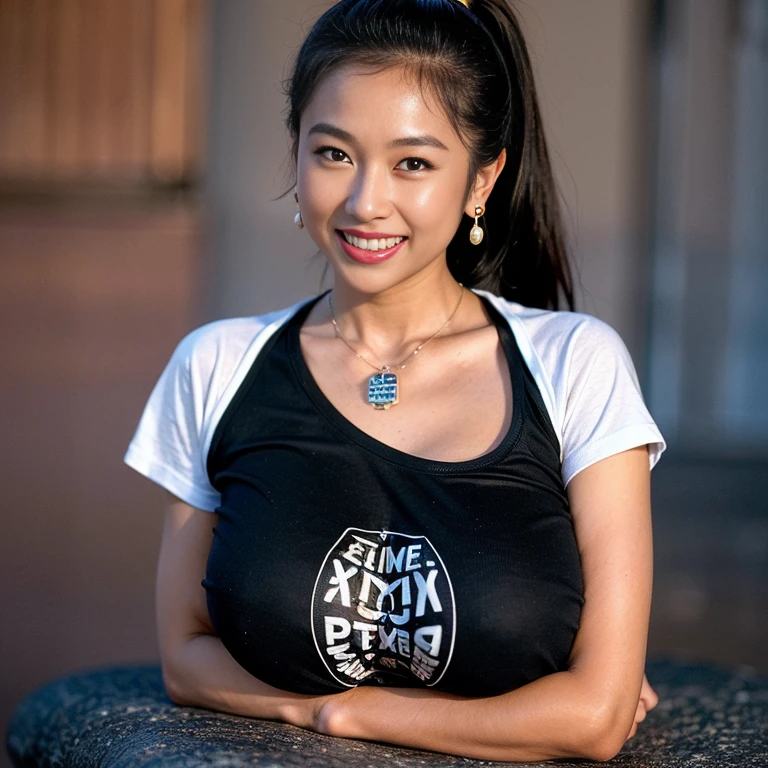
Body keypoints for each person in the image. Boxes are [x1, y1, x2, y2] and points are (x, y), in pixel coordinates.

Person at [124, 0, 665, 761]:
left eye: (413, 163)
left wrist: (361, 716)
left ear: (482, 180)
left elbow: (596, 715)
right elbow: (185, 654)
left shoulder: (576, 365)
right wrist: (329, 711)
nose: (364, 201)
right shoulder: (217, 365)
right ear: (296, 153)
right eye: (334, 153)